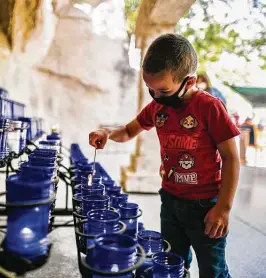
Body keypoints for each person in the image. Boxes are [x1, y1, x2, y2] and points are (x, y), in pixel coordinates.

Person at [89, 34, 240, 277]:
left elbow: (231, 158)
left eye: (163, 90)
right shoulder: (159, 106)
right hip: (170, 200)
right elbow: (129, 130)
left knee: (212, 269)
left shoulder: (209, 107)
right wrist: (106, 132)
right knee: (171, 262)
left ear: (188, 82)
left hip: (205, 206)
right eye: (150, 90)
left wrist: (223, 208)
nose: (157, 96)